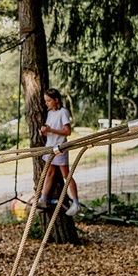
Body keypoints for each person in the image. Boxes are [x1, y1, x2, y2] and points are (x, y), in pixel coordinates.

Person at [38, 88, 81, 217]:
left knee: (66, 175)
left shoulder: (63, 112)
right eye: (46, 101)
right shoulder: (50, 113)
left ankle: (76, 202)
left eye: (49, 100)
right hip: (50, 147)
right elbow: (50, 129)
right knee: (49, 173)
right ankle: (43, 199)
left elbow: (67, 131)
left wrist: (52, 130)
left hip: (60, 148)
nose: (47, 103)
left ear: (56, 100)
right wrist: (44, 131)